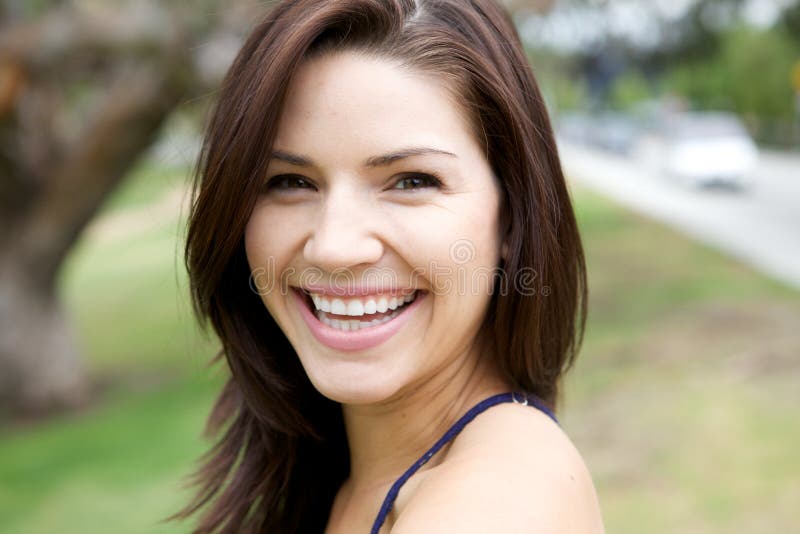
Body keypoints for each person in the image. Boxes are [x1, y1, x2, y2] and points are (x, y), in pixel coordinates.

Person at [176, 0, 604, 532]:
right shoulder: (344, 472)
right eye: (289, 182)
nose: (334, 247)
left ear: (512, 218)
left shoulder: (497, 503)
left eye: (412, 181)